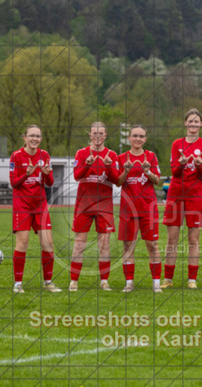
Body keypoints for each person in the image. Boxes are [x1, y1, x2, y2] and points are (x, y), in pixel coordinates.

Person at [9, 125, 61, 294]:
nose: (35, 139)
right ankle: (18, 284)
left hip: (40, 205)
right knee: (23, 243)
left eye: (38, 136)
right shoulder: (16, 156)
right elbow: (13, 183)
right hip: (22, 205)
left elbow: (50, 183)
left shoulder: (44, 155)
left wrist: (46, 173)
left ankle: (48, 282)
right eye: (31, 135)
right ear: (24, 138)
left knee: (48, 243)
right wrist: (26, 173)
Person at [162, 108, 202, 289]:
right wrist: (182, 164)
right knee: (172, 239)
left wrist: (198, 165)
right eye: (190, 121)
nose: (193, 124)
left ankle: (192, 279)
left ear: (201, 124)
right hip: (176, 194)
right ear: (185, 123)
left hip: (195, 195)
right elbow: (174, 172)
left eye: (196, 121)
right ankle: (168, 279)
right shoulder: (177, 144)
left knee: (193, 240)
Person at [69, 122, 119, 292]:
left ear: (105, 135)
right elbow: (77, 176)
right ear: (90, 135)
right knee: (79, 243)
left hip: (104, 206)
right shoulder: (81, 153)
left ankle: (104, 281)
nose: (97, 136)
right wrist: (87, 164)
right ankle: (74, 281)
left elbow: (116, 180)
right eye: (94, 133)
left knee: (104, 244)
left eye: (101, 133)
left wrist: (109, 166)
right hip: (84, 205)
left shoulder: (112, 155)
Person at [116, 125, 162, 293]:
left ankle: (156, 283)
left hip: (148, 208)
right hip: (128, 209)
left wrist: (148, 172)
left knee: (152, 245)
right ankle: (129, 283)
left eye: (141, 136)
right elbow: (118, 182)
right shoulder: (121, 158)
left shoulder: (151, 156)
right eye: (134, 135)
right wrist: (126, 171)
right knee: (128, 246)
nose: (137, 139)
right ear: (129, 138)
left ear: (145, 139)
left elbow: (158, 181)